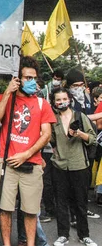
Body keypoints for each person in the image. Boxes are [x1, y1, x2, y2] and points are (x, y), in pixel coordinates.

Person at [0, 56, 56, 246]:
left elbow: (46, 134)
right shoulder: (5, 98)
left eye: (34, 78)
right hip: (6, 162)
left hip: (31, 163)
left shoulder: (42, 103)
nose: (32, 81)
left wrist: (26, 154)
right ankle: (6, 244)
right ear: (17, 79)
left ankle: (29, 244)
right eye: (27, 78)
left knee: (30, 210)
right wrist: (7, 93)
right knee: (5, 209)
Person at [49, 87, 97, 246]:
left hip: (79, 165)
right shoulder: (52, 119)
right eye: (58, 100)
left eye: (64, 99)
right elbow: (51, 141)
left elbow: (93, 138)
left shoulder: (80, 116)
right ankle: (63, 235)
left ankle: (85, 235)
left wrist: (79, 134)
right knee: (61, 202)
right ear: (54, 102)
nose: (61, 102)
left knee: (80, 202)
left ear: (70, 100)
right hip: (60, 166)